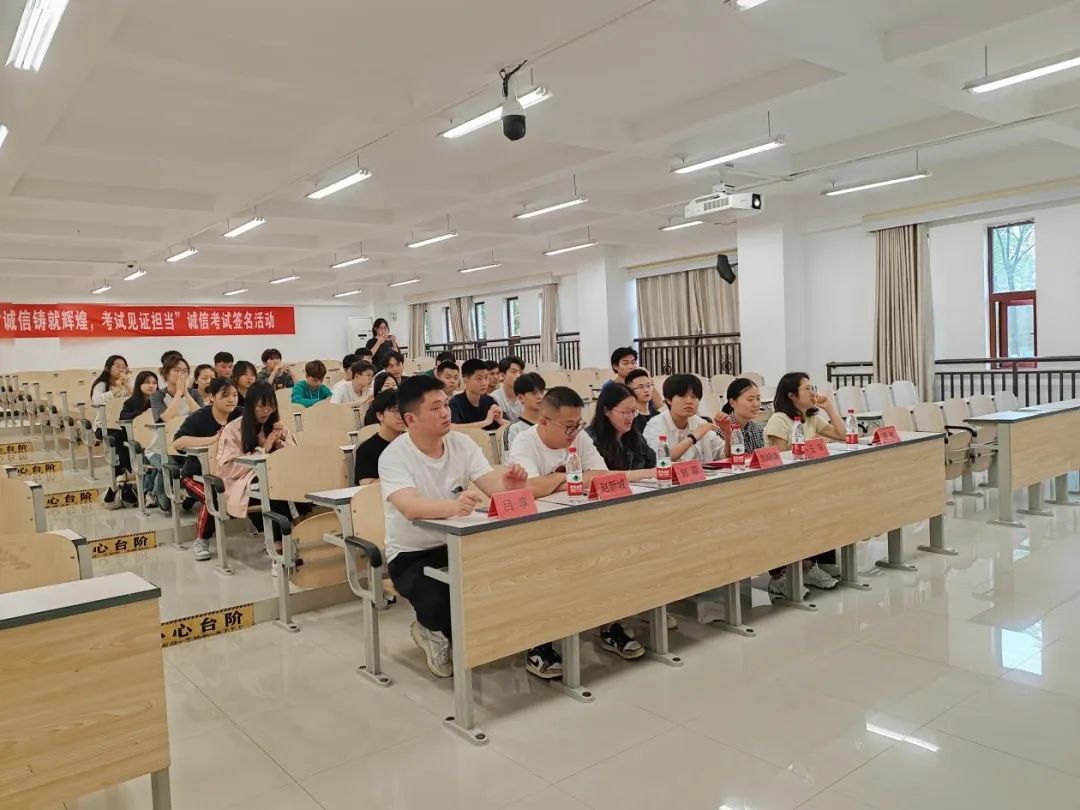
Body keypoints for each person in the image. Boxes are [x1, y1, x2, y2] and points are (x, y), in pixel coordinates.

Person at [381, 375, 528, 678]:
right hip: (412, 553)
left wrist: (510, 487)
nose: (445, 413)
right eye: (435, 408)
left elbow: (493, 487)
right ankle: (430, 631)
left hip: (459, 541)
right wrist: (454, 507)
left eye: (446, 405)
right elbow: (410, 507)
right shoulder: (394, 456)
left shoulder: (461, 443)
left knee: (501, 581)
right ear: (411, 419)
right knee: (438, 601)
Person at [507, 386, 618, 673]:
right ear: (544, 421)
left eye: (578, 424)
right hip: (536, 532)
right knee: (545, 571)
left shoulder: (579, 436)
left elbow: (601, 476)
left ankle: (610, 625)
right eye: (568, 426)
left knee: (616, 553)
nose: (575, 432)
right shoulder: (524, 442)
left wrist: (555, 481)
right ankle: (538, 643)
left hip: (579, 523)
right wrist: (573, 478)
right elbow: (530, 488)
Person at [762, 372, 848, 596]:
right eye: (807, 389)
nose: (812, 393)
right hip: (782, 488)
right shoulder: (779, 419)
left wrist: (829, 408)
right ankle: (779, 577)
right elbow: (780, 460)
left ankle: (808, 568)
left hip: (807, 484)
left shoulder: (811, 418)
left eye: (812, 388)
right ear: (791, 395)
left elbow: (843, 435)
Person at [216, 382, 311, 558]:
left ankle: (298, 528)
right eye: (261, 406)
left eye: (271, 407)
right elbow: (227, 468)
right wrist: (264, 449)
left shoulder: (277, 426)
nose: (266, 411)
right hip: (243, 481)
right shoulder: (233, 429)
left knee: (292, 477)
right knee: (273, 480)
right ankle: (286, 532)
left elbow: (296, 455)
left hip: (278, 477)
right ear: (250, 405)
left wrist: (280, 443)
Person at [173, 378, 242, 561]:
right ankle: (201, 540)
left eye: (234, 395)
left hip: (230, 474)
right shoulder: (199, 417)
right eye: (225, 396)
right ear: (211, 397)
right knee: (214, 497)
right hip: (196, 475)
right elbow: (178, 442)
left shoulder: (240, 414)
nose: (231, 400)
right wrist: (212, 440)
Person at [149, 356, 201, 514]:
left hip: (187, 444)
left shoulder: (194, 393)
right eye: (176, 370)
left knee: (197, 466)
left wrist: (186, 393)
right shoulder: (157, 396)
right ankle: (158, 493)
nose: (181, 375)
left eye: (184, 371)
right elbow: (165, 418)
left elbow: (201, 416)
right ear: (166, 373)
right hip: (161, 447)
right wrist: (178, 394)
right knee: (168, 467)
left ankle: (191, 493)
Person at [643, 374, 725, 462]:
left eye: (693, 397)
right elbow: (659, 460)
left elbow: (722, 453)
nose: (689, 401)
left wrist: (727, 432)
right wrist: (693, 437)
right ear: (668, 400)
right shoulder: (655, 425)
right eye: (682, 396)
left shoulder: (700, 422)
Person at [90, 354, 134, 508]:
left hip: (123, 424)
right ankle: (126, 471)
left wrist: (126, 384)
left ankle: (118, 481)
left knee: (126, 434)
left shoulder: (127, 383)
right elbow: (96, 401)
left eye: (124, 366)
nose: (121, 369)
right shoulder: (102, 384)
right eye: (118, 366)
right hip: (103, 425)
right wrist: (116, 390)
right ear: (108, 368)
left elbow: (136, 398)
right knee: (120, 436)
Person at [116, 370, 158, 510]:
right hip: (141, 441)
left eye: (154, 383)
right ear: (139, 385)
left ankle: (153, 492)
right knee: (149, 457)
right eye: (147, 382)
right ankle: (148, 493)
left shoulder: (160, 400)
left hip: (158, 440)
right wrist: (141, 414)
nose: (151, 385)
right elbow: (123, 417)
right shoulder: (131, 402)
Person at [353, 389, 406, 485]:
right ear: (380, 415)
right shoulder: (366, 449)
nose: (402, 416)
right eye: (396, 411)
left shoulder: (415, 443)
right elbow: (367, 486)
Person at [714, 377, 766, 459]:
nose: (756, 404)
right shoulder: (720, 430)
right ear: (732, 402)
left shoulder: (758, 429)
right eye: (750, 400)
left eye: (758, 399)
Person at [449, 358, 506, 430]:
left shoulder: (490, 401)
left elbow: (512, 426)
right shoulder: (455, 403)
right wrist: (486, 422)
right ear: (465, 381)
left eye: (486, 378)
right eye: (479, 379)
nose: (484, 383)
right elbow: (452, 428)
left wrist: (500, 420)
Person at [605, 347, 665, 411]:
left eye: (633, 362)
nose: (631, 367)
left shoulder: (642, 381)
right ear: (615, 367)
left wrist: (648, 382)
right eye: (625, 363)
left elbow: (660, 406)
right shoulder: (610, 387)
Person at [504, 372, 545, 450]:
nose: (540, 396)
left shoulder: (551, 424)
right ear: (521, 398)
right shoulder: (513, 430)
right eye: (534, 393)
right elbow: (510, 457)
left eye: (542, 392)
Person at [624, 368, 660, 434]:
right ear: (630, 390)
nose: (646, 390)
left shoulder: (658, 416)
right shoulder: (629, 418)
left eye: (648, 386)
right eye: (641, 387)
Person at [491, 355, 525, 422]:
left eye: (520, 372)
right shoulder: (494, 398)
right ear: (502, 375)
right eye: (513, 372)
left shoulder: (527, 396)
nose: (518, 376)